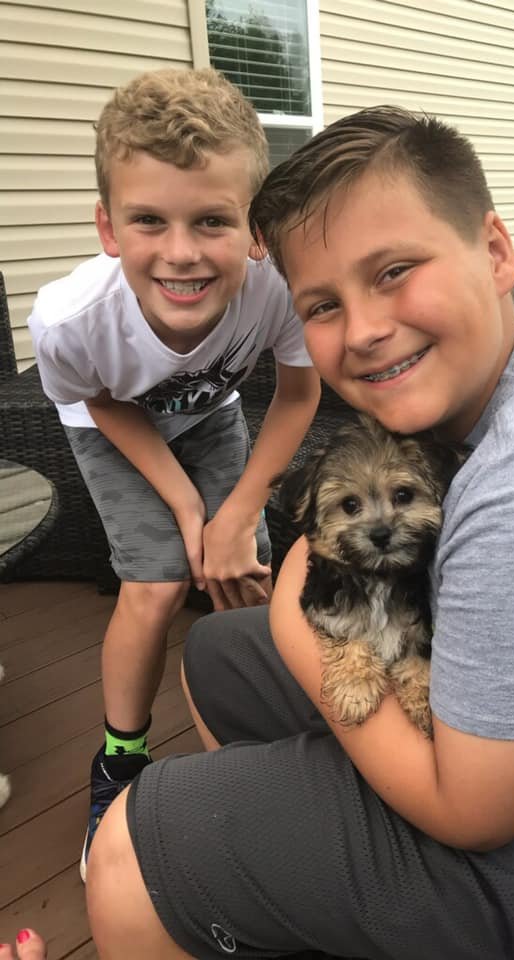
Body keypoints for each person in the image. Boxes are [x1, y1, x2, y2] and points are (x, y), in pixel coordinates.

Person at [85, 106, 514, 960]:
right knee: (216, 658)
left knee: (130, 846)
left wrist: (294, 621)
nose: (364, 328)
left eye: (393, 271)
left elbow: (478, 815)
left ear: (495, 251)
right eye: (322, 304)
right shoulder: (496, 393)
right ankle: (291, 899)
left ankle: (234, 879)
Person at [26, 68, 321, 881]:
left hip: (215, 415)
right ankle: (120, 757)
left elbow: (299, 392)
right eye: (149, 220)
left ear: (256, 228)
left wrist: (236, 512)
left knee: (244, 564)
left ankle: (270, 738)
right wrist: (192, 507)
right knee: (157, 582)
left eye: (212, 220)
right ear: (108, 226)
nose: (182, 252)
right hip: (113, 422)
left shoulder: (277, 289)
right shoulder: (68, 320)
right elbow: (99, 404)